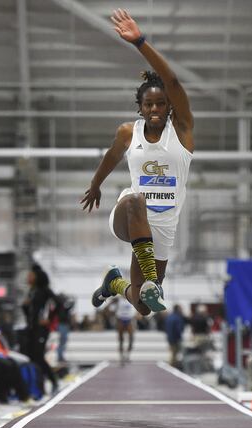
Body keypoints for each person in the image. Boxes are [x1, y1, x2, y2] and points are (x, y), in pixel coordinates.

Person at [82, 9, 194, 317]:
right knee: (134, 199)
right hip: (129, 217)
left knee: (144, 308)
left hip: (162, 230)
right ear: (140, 108)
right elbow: (112, 156)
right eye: (149, 104)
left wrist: (140, 41)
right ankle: (151, 286)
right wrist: (95, 184)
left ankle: (113, 284)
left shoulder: (181, 130)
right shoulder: (129, 132)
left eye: (161, 103)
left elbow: (171, 79)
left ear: (170, 105)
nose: (155, 108)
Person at [20, 264, 59, 395]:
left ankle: (54, 381)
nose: (28, 277)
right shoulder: (31, 292)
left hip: (41, 329)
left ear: (37, 277)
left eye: (31, 275)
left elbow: (58, 304)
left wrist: (49, 318)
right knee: (32, 356)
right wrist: (25, 307)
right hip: (31, 328)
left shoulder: (45, 291)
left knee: (39, 356)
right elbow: (29, 312)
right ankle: (38, 385)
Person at [114, 296, 136, 364]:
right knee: (121, 339)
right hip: (121, 319)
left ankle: (128, 355)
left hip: (129, 319)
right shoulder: (118, 299)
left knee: (131, 338)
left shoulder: (131, 298)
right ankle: (121, 356)